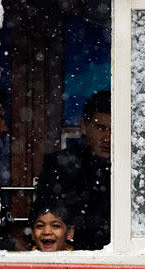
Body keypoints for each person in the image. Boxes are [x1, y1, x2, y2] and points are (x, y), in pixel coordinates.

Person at [35, 90, 111, 250]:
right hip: (72, 257)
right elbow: (43, 217)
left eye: (114, 129)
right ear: (84, 126)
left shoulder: (131, 167)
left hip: (121, 258)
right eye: (101, 128)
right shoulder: (59, 164)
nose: (107, 137)